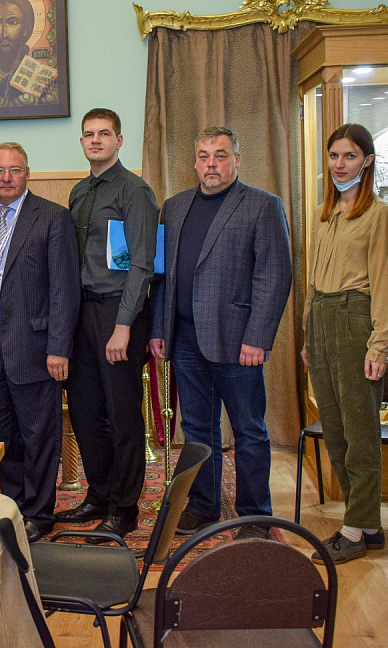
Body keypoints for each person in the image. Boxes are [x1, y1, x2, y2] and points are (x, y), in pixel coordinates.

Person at [149, 125, 291, 540]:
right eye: (204, 156)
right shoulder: (174, 207)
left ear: (237, 160)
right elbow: (163, 276)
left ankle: (254, 515)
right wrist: (159, 327)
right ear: (195, 162)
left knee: (249, 430)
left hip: (237, 340)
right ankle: (203, 506)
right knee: (197, 429)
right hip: (184, 339)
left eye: (221, 155)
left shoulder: (263, 205)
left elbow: (274, 276)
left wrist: (258, 338)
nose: (211, 164)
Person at [0, 142, 80, 542]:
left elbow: (64, 289)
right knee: (1, 429)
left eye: (14, 170)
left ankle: (39, 512)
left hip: (35, 344)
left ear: (27, 173)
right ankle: (13, 504)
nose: (7, 178)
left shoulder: (52, 217)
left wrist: (59, 348)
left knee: (39, 432)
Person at [56, 109, 158, 540]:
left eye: (104, 133)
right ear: (82, 142)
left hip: (118, 313)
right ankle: (98, 494)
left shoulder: (135, 191)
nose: (95, 140)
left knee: (121, 414)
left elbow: (142, 265)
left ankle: (125, 506)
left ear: (119, 140)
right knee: (85, 411)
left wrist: (124, 325)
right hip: (82, 312)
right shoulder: (80, 191)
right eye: (88, 134)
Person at [300, 124, 388, 563]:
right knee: (335, 430)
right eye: (335, 156)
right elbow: (313, 281)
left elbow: (384, 284)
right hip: (322, 319)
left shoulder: (379, 215)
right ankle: (369, 525)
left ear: (367, 161)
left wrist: (379, 346)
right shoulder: (325, 213)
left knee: (360, 432)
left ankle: (355, 530)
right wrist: (308, 334)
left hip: (355, 318)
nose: (340, 164)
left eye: (350, 156)